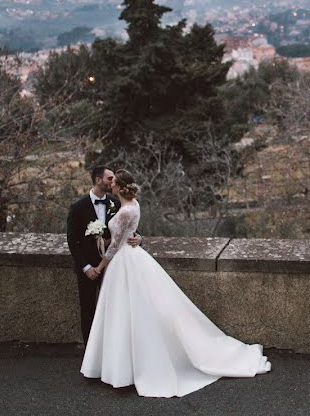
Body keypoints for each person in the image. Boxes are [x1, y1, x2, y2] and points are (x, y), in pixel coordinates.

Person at [80, 169, 271, 397]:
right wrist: (132, 239)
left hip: (123, 262)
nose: (110, 185)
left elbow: (115, 245)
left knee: (125, 313)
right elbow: (128, 233)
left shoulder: (123, 211)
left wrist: (101, 266)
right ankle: (126, 365)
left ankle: (127, 367)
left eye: (113, 182)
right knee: (137, 311)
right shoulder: (134, 205)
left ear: (120, 188)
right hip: (134, 258)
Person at [65, 166, 141, 344]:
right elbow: (72, 241)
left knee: (115, 308)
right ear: (98, 180)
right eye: (109, 178)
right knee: (88, 308)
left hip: (115, 265)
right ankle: (90, 351)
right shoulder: (78, 207)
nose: (112, 181)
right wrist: (86, 267)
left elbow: (131, 228)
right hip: (89, 268)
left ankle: (111, 348)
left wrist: (139, 238)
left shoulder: (117, 203)